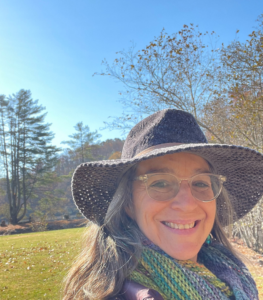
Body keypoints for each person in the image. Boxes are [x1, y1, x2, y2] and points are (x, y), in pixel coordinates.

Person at [63, 109, 262, 300]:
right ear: (128, 203)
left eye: (201, 183)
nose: (187, 204)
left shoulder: (234, 278)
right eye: (160, 183)